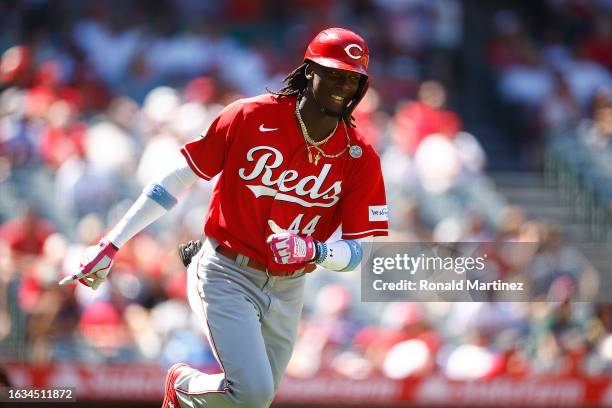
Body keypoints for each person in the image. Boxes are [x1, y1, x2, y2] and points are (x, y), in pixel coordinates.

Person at [59, 27, 388, 408]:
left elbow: (359, 252)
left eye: (352, 78)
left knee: (254, 403)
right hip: (227, 271)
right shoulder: (249, 115)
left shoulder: (360, 156)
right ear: (309, 69)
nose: (341, 86)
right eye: (333, 73)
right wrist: (111, 243)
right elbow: (178, 177)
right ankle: (181, 385)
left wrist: (314, 250)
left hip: (289, 288)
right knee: (252, 393)